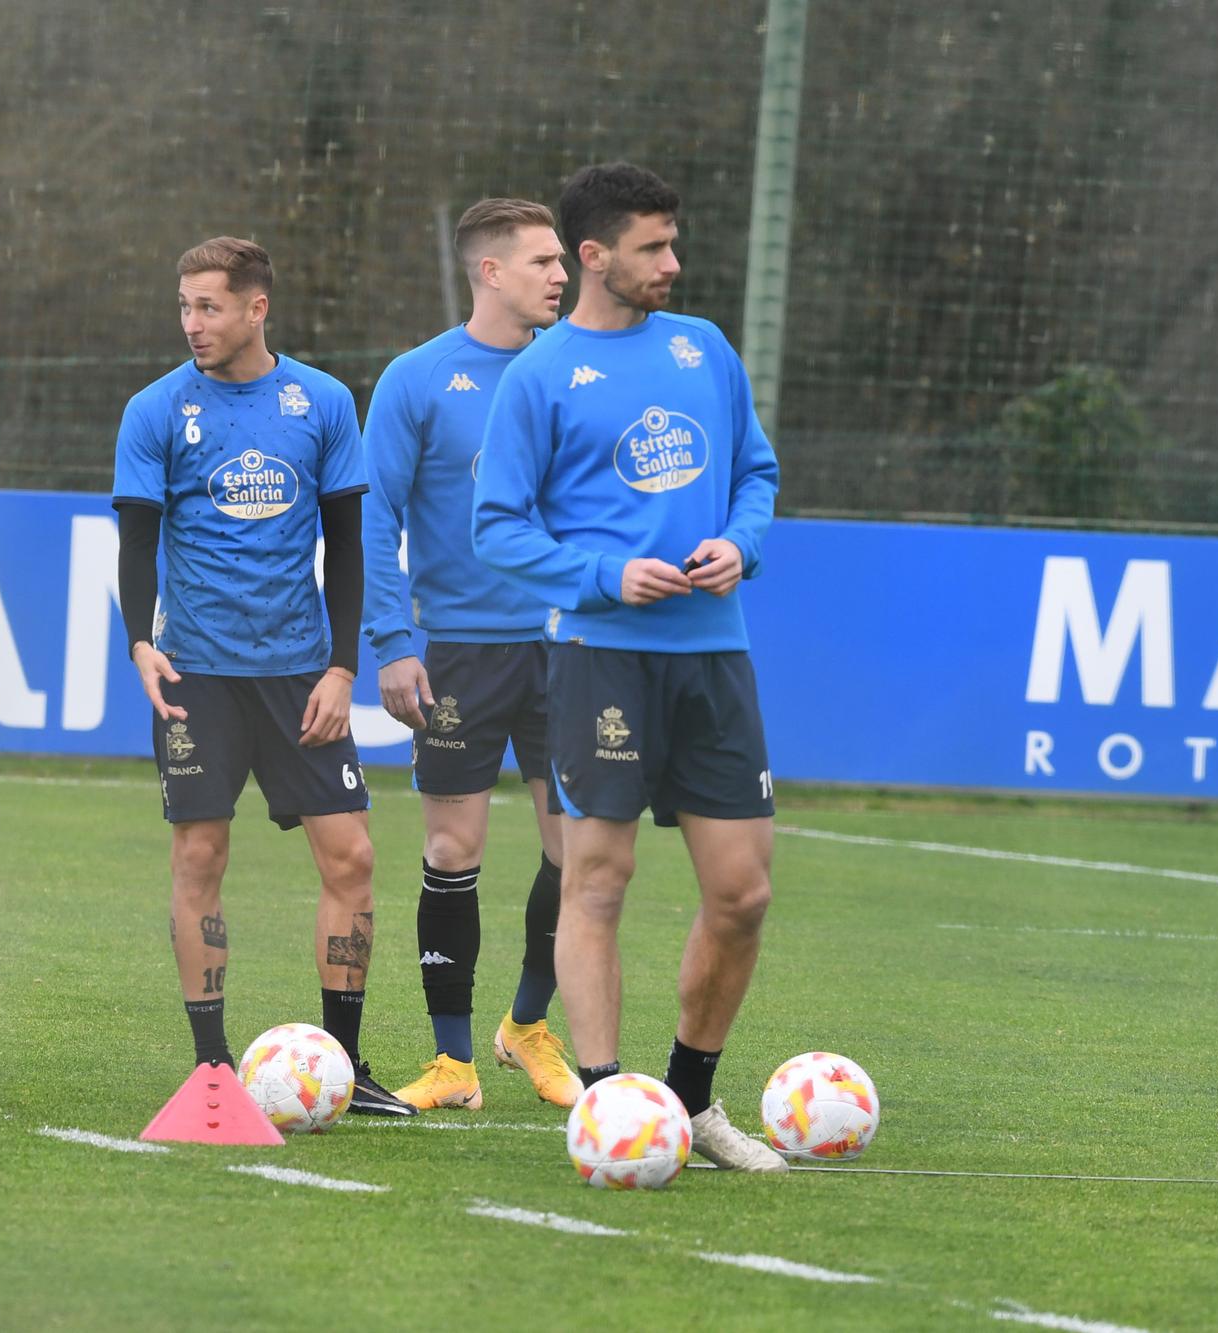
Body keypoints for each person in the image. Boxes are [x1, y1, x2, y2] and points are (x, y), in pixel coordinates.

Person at [472, 162, 788, 1170]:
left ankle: (688, 1101)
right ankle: (610, 1107)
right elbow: (496, 529)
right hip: (601, 658)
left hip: (713, 659)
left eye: (671, 242)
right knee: (596, 882)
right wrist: (606, 573)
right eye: (652, 247)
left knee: (741, 893)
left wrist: (741, 543)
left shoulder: (703, 349)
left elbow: (754, 473)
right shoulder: (539, 375)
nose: (672, 263)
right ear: (595, 255)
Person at [112, 236, 414, 1116]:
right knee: (200, 852)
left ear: (257, 308)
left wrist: (341, 666)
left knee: (351, 857)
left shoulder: (320, 402)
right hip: (196, 674)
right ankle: (211, 1065)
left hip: (299, 677)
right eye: (184, 306)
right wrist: (141, 641)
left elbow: (350, 546)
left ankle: (347, 1070)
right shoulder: (156, 409)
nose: (192, 323)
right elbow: (136, 540)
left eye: (209, 306)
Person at [360, 198, 584, 1112]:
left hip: (571, 646)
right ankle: (452, 1063)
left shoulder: (581, 373)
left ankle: (526, 1025)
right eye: (543, 261)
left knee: (580, 849)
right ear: (490, 272)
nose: (562, 275)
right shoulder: (417, 379)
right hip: (455, 649)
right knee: (453, 847)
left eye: (563, 260)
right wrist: (391, 641)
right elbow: (373, 515)